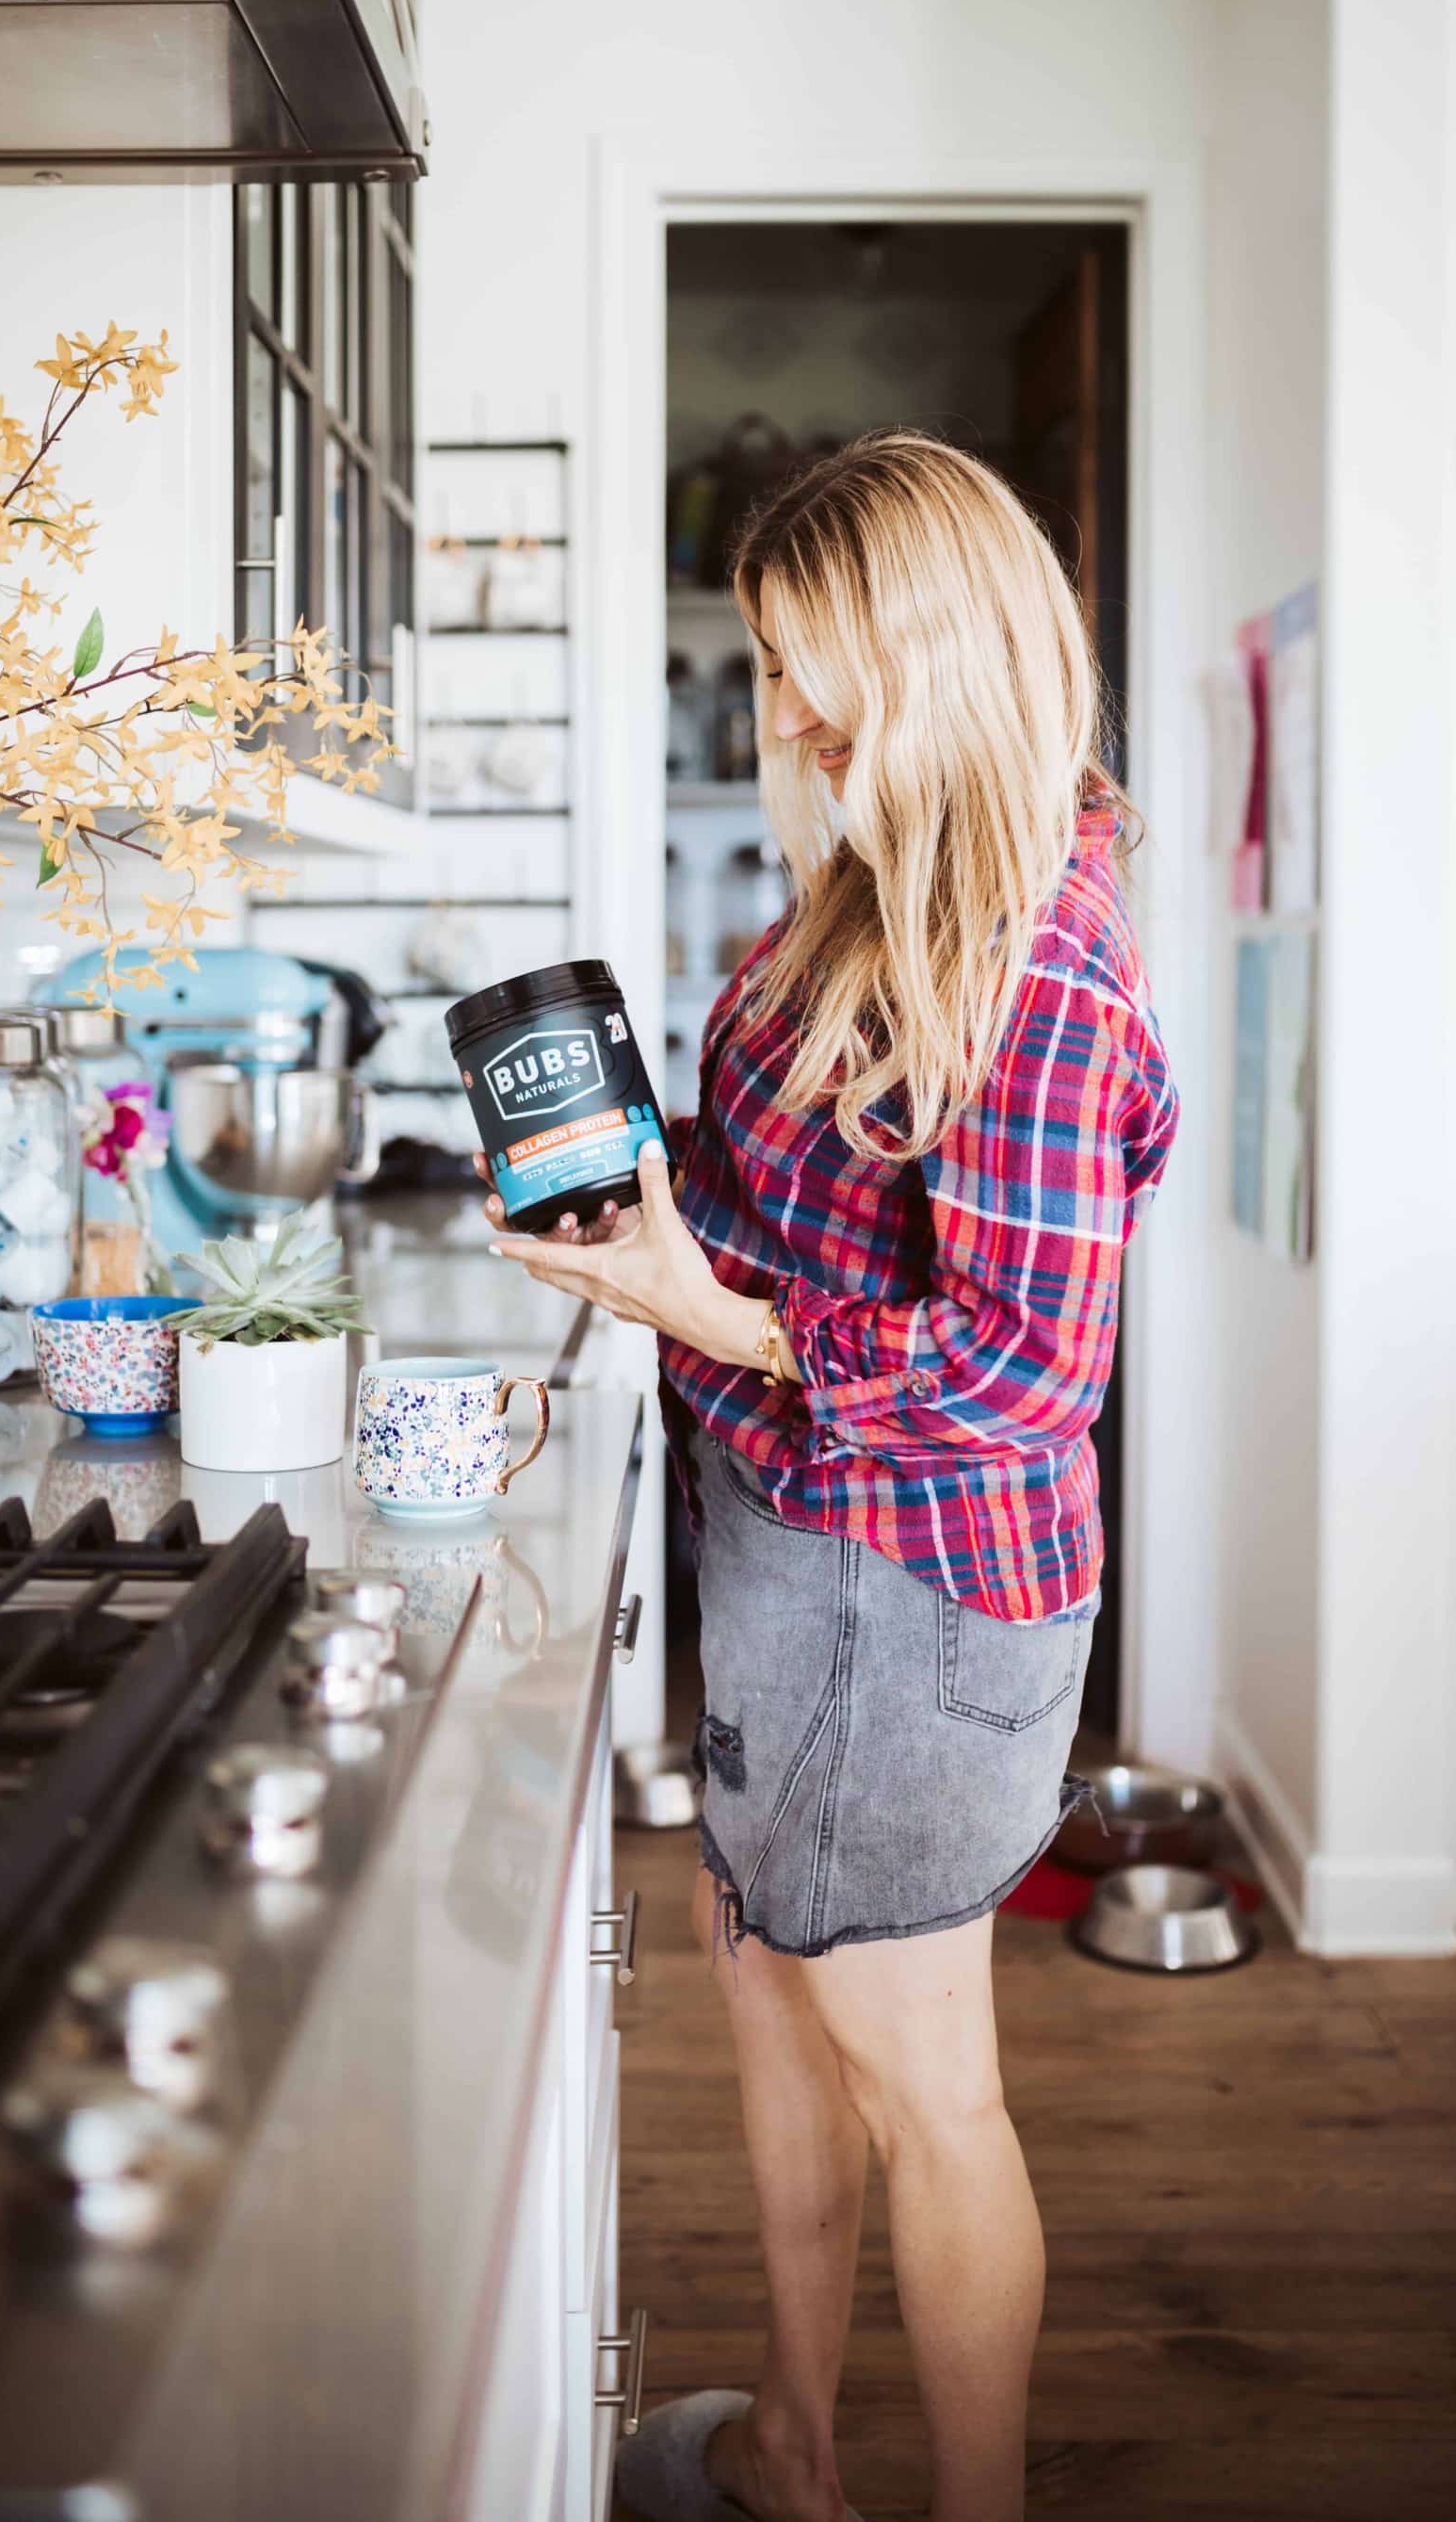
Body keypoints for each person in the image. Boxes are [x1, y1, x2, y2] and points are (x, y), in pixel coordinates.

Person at [481, 431, 1178, 2522]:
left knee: (926, 2088)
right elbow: (803, 1213)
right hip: (787, 1550)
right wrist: (652, 1208)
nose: (777, 713)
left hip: (923, 1590)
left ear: (935, 658)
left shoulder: (1039, 962)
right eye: (770, 667)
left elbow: (1023, 1372)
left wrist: (723, 1321)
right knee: (774, 2000)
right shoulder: (876, 895)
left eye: (810, 670)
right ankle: (797, 2452)